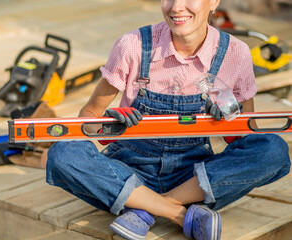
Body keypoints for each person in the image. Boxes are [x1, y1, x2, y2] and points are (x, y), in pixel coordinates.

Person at [45, 0, 291, 239]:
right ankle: (178, 213)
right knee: (63, 153)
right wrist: (108, 126)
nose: (176, 7)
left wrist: (228, 123)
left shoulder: (235, 53)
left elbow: (249, 137)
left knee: (273, 150)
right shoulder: (133, 45)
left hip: (194, 177)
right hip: (126, 172)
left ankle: (145, 207)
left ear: (214, 2)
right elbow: (88, 117)